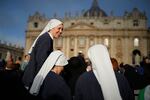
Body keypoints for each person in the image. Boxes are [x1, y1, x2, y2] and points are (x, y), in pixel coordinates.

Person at [22, 18, 63, 89]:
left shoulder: (47, 38)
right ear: (51, 28)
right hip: (33, 78)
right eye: (59, 28)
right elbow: (41, 61)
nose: (61, 31)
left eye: (62, 29)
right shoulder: (46, 39)